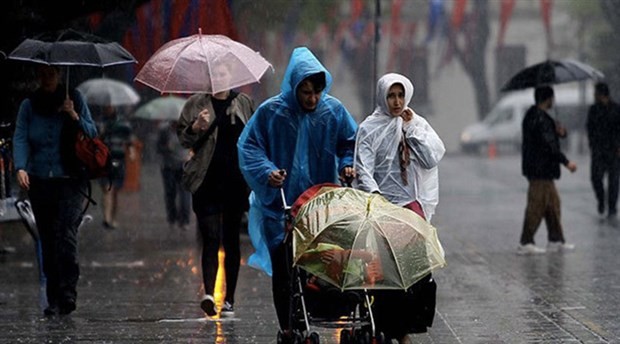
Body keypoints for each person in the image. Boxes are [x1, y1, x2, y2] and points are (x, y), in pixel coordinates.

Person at [237, 47, 357, 339]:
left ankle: (314, 313)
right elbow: (249, 146)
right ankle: (290, 326)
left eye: (316, 92)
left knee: (321, 265)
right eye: (305, 92)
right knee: (284, 268)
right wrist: (268, 172)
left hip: (321, 204)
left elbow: (350, 144)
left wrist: (347, 166)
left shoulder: (334, 112)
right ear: (294, 87)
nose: (311, 99)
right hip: (281, 207)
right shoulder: (271, 113)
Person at [354, 73, 445, 343]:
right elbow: (363, 168)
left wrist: (411, 130)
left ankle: (408, 327)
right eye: (391, 96)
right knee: (386, 275)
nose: (396, 102)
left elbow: (430, 159)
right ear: (383, 96)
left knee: (416, 272)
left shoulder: (413, 123)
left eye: (400, 95)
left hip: (410, 207)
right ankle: (392, 329)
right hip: (381, 208)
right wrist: (377, 199)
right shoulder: (369, 129)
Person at [12, 65, 98, 316]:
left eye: (52, 73)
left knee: (66, 235)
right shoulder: (29, 106)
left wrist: (73, 115)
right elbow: (21, 137)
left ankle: (68, 291)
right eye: (43, 73)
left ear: (60, 74)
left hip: (70, 180)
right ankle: (53, 297)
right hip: (40, 181)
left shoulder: (75, 98)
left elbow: (92, 133)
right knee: (48, 239)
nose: (47, 77)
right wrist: (21, 167)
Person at [176, 62, 254, 318]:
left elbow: (255, 137)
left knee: (231, 239)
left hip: (235, 182)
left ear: (231, 76)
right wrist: (195, 127)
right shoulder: (195, 104)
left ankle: (229, 298)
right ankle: (209, 293)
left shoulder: (243, 103)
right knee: (210, 236)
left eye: (223, 73)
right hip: (205, 180)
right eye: (214, 74)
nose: (218, 78)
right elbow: (183, 138)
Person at [518, 86, 577, 255]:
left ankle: (556, 239)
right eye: (552, 97)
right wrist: (567, 163)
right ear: (547, 99)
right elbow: (549, 146)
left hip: (542, 170)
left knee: (553, 205)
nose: (554, 101)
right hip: (540, 170)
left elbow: (549, 137)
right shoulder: (539, 119)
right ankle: (525, 242)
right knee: (536, 206)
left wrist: (560, 132)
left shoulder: (536, 117)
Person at [98, 104, 135, 229]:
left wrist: (131, 152)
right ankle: (107, 218)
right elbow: (95, 140)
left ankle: (112, 218)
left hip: (119, 160)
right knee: (107, 189)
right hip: (105, 160)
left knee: (115, 192)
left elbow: (129, 140)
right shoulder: (100, 123)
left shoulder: (123, 124)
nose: (108, 108)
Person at [586, 82, 620, 218]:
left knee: (614, 180)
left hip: (614, 150)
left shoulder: (616, 109)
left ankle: (612, 207)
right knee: (595, 178)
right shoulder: (593, 110)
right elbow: (589, 128)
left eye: (595, 93)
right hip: (598, 150)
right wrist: (592, 145)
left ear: (601, 94)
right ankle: (601, 199)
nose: (594, 95)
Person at [156, 119, 190, 232]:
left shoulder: (188, 129)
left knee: (185, 195)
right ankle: (172, 218)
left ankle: (184, 220)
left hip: (183, 166)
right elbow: (158, 148)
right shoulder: (164, 130)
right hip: (168, 167)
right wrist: (166, 148)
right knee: (170, 194)